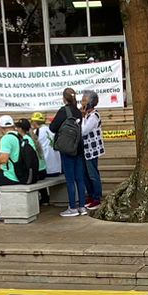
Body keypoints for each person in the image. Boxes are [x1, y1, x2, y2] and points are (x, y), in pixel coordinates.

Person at [49, 87, 88, 215]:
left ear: (64, 98)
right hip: (79, 147)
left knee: (70, 179)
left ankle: (72, 207)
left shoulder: (63, 110)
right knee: (79, 179)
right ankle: (82, 206)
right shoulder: (78, 111)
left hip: (67, 148)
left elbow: (53, 127)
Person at [80, 90, 104, 209]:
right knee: (85, 174)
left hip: (92, 150)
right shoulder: (87, 115)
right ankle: (90, 195)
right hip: (84, 149)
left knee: (93, 174)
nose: (82, 102)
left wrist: (83, 117)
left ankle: (96, 198)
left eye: (84, 100)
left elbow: (84, 130)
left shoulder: (94, 116)